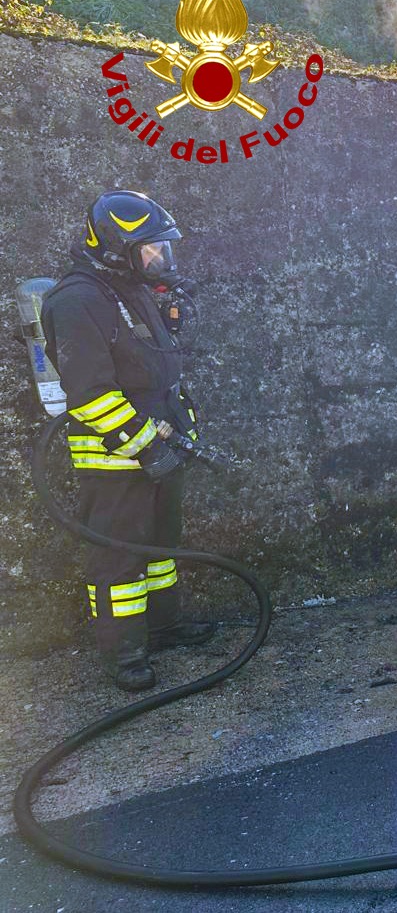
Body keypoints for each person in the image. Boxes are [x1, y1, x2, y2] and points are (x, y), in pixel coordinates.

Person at [40, 189, 214, 692]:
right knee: (119, 558)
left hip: (162, 446)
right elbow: (89, 395)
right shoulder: (76, 300)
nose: (160, 260)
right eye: (151, 250)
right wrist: (146, 447)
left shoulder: (124, 286)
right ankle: (124, 654)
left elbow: (147, 363)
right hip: (117, 458)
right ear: (118, 247)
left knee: (161, 548)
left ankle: (163, 625)